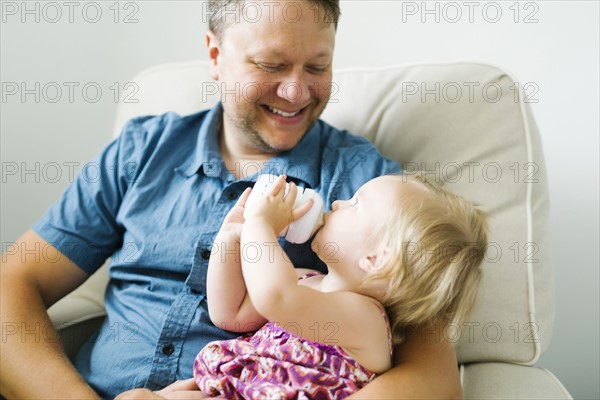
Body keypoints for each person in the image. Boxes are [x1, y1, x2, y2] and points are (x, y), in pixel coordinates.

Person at [1, 1, 465, 398]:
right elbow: (13, 281)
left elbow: (433, 374)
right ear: (216, 54)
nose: (295, 92)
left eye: (318, 67)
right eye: (270, 65)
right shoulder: (140, 151)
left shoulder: (372, 187)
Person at [139, 174, 487, 400]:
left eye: (354, 205)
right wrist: (231, 237)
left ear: (376, 260)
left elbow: (275, 296)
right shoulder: (305, 278)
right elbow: (230, 314)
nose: (336, 203)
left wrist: (262, 224)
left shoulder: (364, 319)